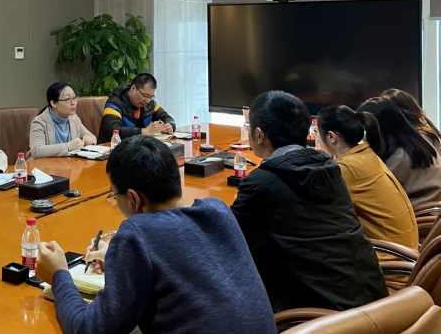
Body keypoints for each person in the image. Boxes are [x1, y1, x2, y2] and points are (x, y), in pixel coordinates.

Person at [35, 136, 277, 334]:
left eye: (114, 196)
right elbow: (186, 264)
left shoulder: (137, 234)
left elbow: (89, 329)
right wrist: (118, 261)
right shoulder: (217, 211)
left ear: (134, 198)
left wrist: (58, 274)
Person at [231, 91, 387, 313]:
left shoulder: (263, 183)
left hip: (322, 318)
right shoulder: (329, 168)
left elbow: (228, 239)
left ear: (258, 135)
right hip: (372, 302)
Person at [317, 105, 418, 253]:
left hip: (390, 259)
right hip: (405, 252)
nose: (317, 140)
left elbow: (320, 213)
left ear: (332, 137)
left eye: (317, 133)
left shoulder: (347, 168)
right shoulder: (365, 154)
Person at [357, 97, 441, 206]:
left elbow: (375, 190)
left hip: (415, 211)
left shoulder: (398, 156)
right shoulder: (417, 143)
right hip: (431, 208)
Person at [97, 73, 175, 144]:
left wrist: (170, 126)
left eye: (151, 97)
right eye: (145, 95)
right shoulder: (114, 103)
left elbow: (166, 117)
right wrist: (144, 131)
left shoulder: (151, 103)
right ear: (133, 88)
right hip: (112, 148)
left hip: (138, 147)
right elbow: (112, 130)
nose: (147, 100)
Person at [29, 82, 97, 158]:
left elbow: (92, 137)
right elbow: (37, 151)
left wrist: (89, 139)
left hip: (70, 163)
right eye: (67, 99)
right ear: (53, 103)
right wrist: (68, 146)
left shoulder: (73, 118)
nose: (73, 103)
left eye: (74, 98)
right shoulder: (39, 122)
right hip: (46, 164)